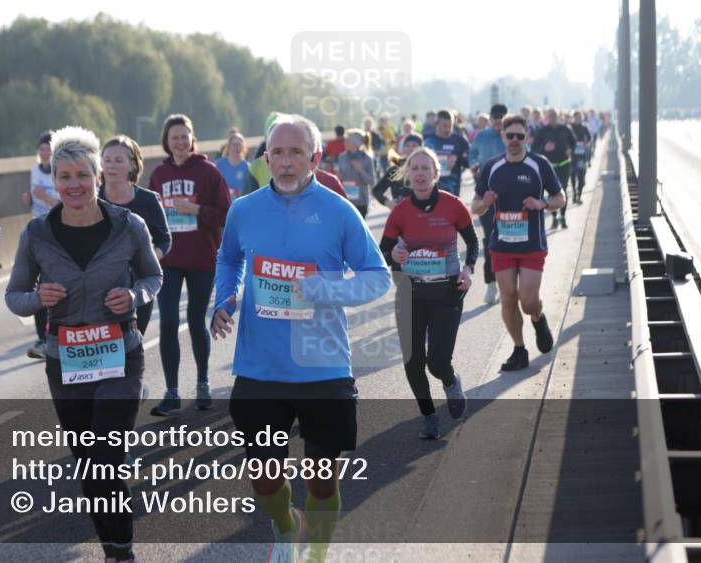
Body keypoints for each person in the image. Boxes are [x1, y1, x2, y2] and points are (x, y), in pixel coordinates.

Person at [211, 114, 391, 563]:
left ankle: (316, 553)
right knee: (265, 476)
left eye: (296, 153)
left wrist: (326, 289)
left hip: (323, 364)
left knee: (321, 478)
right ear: (265, 157)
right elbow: (229, 259)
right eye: (278, 153)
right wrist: (225, 301)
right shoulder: (244, 210)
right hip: (259, 366)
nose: (286, 162)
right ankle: (287, 527)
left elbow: (378, 276)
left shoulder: (337, 210)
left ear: (314, 157)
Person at [5, 126, 162, 563]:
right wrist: (39, 298)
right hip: (65, 359)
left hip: (120, 354)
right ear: (53, 182)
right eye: (64, 177)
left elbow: (154, 276)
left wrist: (133, 296)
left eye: (82, 175)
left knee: (107, 455)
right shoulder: (36, 234)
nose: (74, 185)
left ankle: (124, 554)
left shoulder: (130, 225)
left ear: (97, 178)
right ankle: (112, 549)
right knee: (89, 466)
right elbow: (14, 295)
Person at [380, 148, 477, 439]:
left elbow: (473, 243)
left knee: (437, 361)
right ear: (408, 175)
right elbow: (385, 251)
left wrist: (468, 271)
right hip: (411, 293)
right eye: (415, 168)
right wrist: (394, 253)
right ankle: (428, 416)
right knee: (412, 361)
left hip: (447, 292)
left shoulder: (453, 205)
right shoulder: (400, 211)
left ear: (436, 174)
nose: (420, 173)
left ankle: (451, 382)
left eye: (426, 168)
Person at [148, 114, 231, 414]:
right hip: (168, 260)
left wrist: (196, 209)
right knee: (168, 322)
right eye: (174, 138)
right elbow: (151, 217)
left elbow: (226, 214)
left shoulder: (208, 172)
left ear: (192, 138)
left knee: (196, 321)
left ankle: (203, 384)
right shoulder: (158, 175)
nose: (180, 142)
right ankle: (171, 392)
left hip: (201, 258)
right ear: (166, 143)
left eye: (185, 136)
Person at [471, 116, 565, 371]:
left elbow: (560, 197)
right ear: (502, 136)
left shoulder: (539, 164)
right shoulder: (491, 167)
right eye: (509, 135)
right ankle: (519, 349)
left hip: (532, 244)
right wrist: (486, 202)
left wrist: (543, 203)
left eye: (519, 136)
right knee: (508, 298)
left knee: (528, 299)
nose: (514, 141)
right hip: (502, 245)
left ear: (527, 137)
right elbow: (475, 206)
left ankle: (538, 317)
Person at [100, 134, 172, 335]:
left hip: (138, 288)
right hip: (100, 288)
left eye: (118, 160)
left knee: (132, 346)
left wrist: (150, 258)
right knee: (107, 352)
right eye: (106, 160)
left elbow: (164, 239)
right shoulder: (92, 199)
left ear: (132, 165)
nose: (111, 166)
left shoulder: (148, 200)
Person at [23, 131, 60, 360]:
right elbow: (35, 198)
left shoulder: (62, 171)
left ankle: (54, 336)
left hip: (58, 230)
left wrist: (44, 197)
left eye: (48, 148)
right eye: (42, 148)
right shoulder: (34, 170)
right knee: (39, 284)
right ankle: (42, 339)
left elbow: (63, 202)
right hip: (37, 229)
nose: (44, 152)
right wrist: (30, 197)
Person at [470, 105, 509, 304]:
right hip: (485, 191)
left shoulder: (511, 136)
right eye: (495, 117)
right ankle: (491, 283)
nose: (498, 120)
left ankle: (507, 284)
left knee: (508, 239)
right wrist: (473, 165)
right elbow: (471, 154)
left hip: (509, 194)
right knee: (490, 240)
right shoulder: (481, 136)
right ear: (490, 118)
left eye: (502, 117)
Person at [531, 108, 575, 229]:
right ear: (546, 117)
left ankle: (563, 216)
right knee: (552, 193)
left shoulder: (565, 129)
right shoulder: (542, 131)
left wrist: (570, 149)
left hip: (564, 163)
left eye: (555, 115)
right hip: (549, 166)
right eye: (550, 115)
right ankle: (555, 217)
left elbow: (573, 142)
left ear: (558, 116)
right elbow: (534, 148)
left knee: (563, 190)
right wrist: (544, 149)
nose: (553, 118)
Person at [424, 109, 470, 196]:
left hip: (452, 188)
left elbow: (470, 162)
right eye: (444, 126)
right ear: (436, 124)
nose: (448, 129)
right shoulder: (428, 141)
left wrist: (457, 159)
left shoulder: (460, 141)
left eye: (450, 126)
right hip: (431, 188)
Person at [371, 133, 422, 209]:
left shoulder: (427, 167)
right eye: (407, 145)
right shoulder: (396, 169)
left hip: (422, 212)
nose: (411, 148)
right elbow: (376, 190)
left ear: (421, 148)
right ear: (404, 148)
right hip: (401, 213)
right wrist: (389, 203)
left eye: (414, 145)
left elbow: (437, 191)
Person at [336, 128, 376, 218]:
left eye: (348, 139)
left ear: (356, 143)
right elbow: (340, 178)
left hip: (361, 201)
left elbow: (372, 181)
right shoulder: (342, 157)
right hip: (346, 200)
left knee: (358, 230)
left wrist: (361, 171)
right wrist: (339, 177)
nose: (345, 141)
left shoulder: (366, 158)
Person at [215, 131, 251, 200]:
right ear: (229, 147)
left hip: (240, 205)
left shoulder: (248, 167)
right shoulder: (218, 165)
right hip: (222, 205)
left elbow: (249, 191)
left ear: (243, 147)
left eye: (239, 144)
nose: (236, 147)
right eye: (234, 144)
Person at [569, 111, 592, 204]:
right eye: (576, 117)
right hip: (572, 156)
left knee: (581, 177)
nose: (578, 119)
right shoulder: (570, 128)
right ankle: (574, 193)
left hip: (582, 155)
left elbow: (590, 138)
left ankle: (579, 195)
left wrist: (587, 144)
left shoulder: (584, 127)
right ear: (573, 118)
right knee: (573, 175)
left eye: (580, 117)